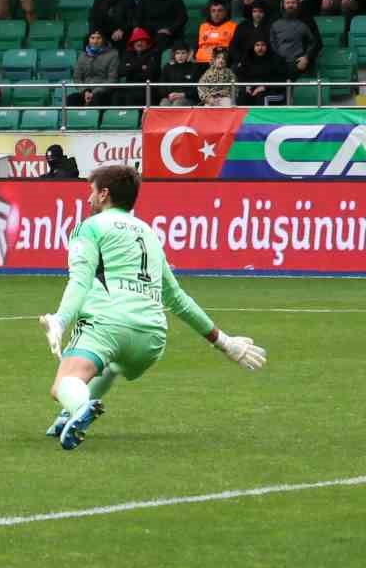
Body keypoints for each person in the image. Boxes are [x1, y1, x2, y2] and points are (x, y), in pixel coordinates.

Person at [37, 165, 266, 450]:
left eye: (91, 191)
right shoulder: (149, 234)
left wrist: (61, 320)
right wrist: (224, 342)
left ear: (104, 194)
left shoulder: (90, 227)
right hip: (151, 338)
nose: (88, 199)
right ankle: (69, 414)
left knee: (64, 383)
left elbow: (80, 281)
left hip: (108, 324)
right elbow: (178, 299)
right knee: (112, 365)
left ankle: (79, 406)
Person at [69, 29, 118, 107]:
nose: (95, 41)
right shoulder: (82, 55)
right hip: (85, 91)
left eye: (98, 38)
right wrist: (85, 91)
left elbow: (112, 79)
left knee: (97, 99)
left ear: (103, 40)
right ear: (88, 40)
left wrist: (94, 92)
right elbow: (77, 77)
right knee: (71, 99)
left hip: (103, 92)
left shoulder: (113, 54)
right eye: (92, 38)